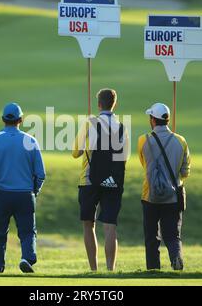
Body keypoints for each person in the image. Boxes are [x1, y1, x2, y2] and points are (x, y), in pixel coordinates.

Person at [0, 102, 46, 273]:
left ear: (2, 119)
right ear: (21, 120)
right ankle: (27, 258)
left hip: (0, 195)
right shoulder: (31, 141)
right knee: (28, 232)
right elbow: (41, 174)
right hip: (24, 195)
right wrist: (34, 191)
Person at [72, 88, 129, 271]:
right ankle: (110, 269)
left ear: (99, 104)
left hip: (89, 180)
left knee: (89, 225)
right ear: (114, 104)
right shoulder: (121, 127)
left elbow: (75, 152)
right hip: (113, 181)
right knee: (110, 226)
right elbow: (125, 156)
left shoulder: (90, 123)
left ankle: (94, 270)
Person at [137, 103, 191, 270]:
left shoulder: (143, 140)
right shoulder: (180, 141)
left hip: (150, 195)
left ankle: (153, 269)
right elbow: (185, 171)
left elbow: (144, 165)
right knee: (173, 235)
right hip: (173, 195)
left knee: (151, 237)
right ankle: (176, 258)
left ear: (153, 119)